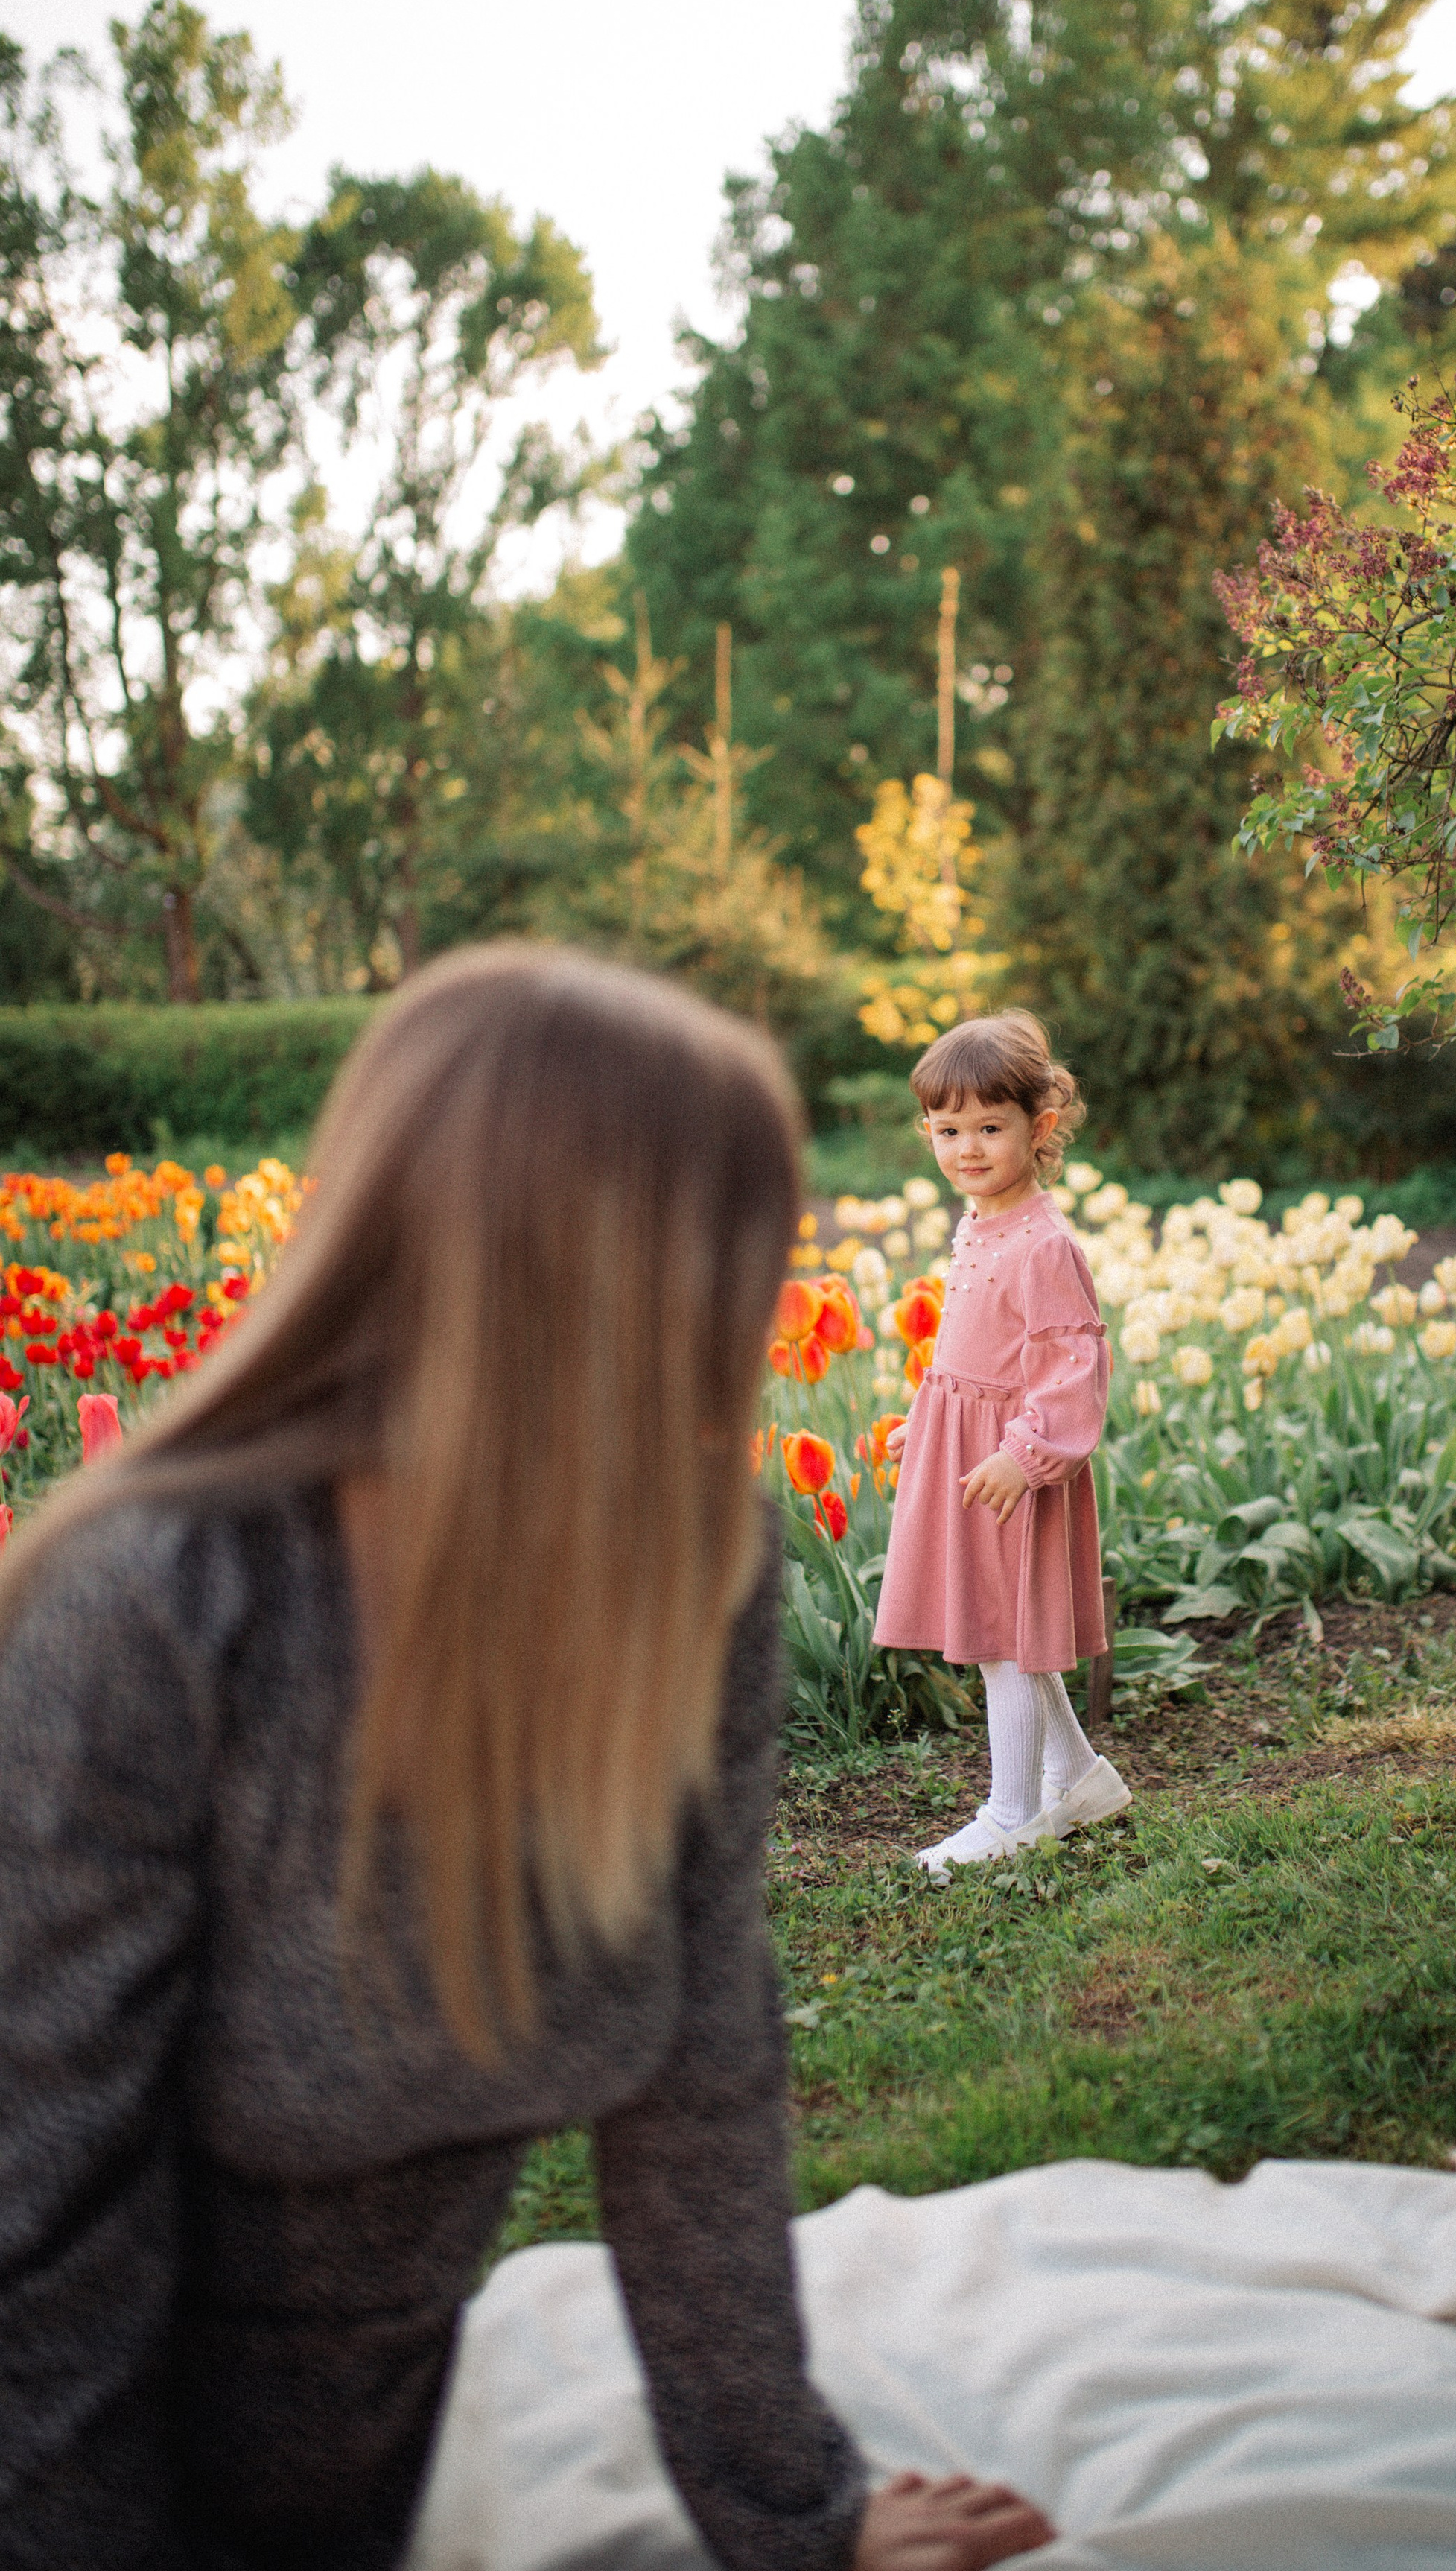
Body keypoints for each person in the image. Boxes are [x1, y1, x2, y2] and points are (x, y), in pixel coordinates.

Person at [0, 945, 1053, 2571]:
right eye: (721, 1246)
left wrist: (792, 2513)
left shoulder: (695, 1559)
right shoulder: (154, 1605)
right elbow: (40, 2214)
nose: (754, 1299)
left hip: (351, 2469)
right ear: (552, 1260)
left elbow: (702, 2061)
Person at [873, 1012, 1130, 1879]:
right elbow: (974, 1351)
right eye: (948, 1131)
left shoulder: (1044, 1244)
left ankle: (1013, 1815)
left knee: (999, 1638)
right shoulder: (984, 1222)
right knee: (1007, 1631)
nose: (967, 1149)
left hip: (1012, 1467)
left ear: (1040, 1128)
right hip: (970, 1450)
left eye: (990, 1128)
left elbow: (1071, 1364)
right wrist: (929, 1420)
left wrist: (1023, 1455)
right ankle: (1080, 1778)